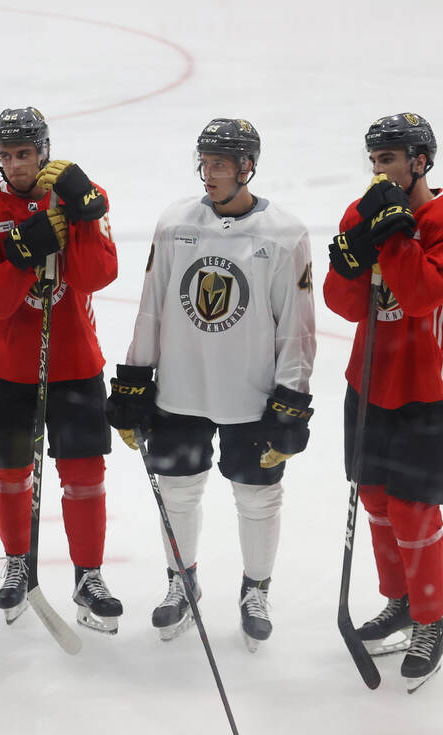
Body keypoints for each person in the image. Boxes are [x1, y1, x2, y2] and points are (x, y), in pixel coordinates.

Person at [105, 118, 315, 650]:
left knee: (258, 498)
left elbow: (297, 324)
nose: (209, 173)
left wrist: (291, 399)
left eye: (219, 163)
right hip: (182, 388)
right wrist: (134, 380)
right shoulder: (177, 222)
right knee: (178, 491)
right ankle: (182, 580)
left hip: (250, 393)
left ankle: (256, 588)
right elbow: (152, 306)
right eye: (204, 162)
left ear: (248, 167)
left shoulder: (285, 233)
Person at [323, 113, 443, 691]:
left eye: (388, 160)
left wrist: (390, 236)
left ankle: (430, 620)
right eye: (374, 161)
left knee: (414, 509)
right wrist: (350, 257)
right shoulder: (362, 210)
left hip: (431, 389)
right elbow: (343, 303)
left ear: (420, 161)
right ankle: (400, 601)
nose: (378, 173)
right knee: (375, 500)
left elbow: (419, 297)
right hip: (369, 382)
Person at [0, 106, 122, 633]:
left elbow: (95, 276)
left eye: (25, 153)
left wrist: (84, 213)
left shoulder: (76, 194)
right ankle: (19, 562)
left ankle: (88, 575)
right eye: (7, 155)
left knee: (84, 476)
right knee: (11, 474)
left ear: (43, 150)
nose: (15, 164)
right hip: (5, 367)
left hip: (75, 363)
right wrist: (22, 252)